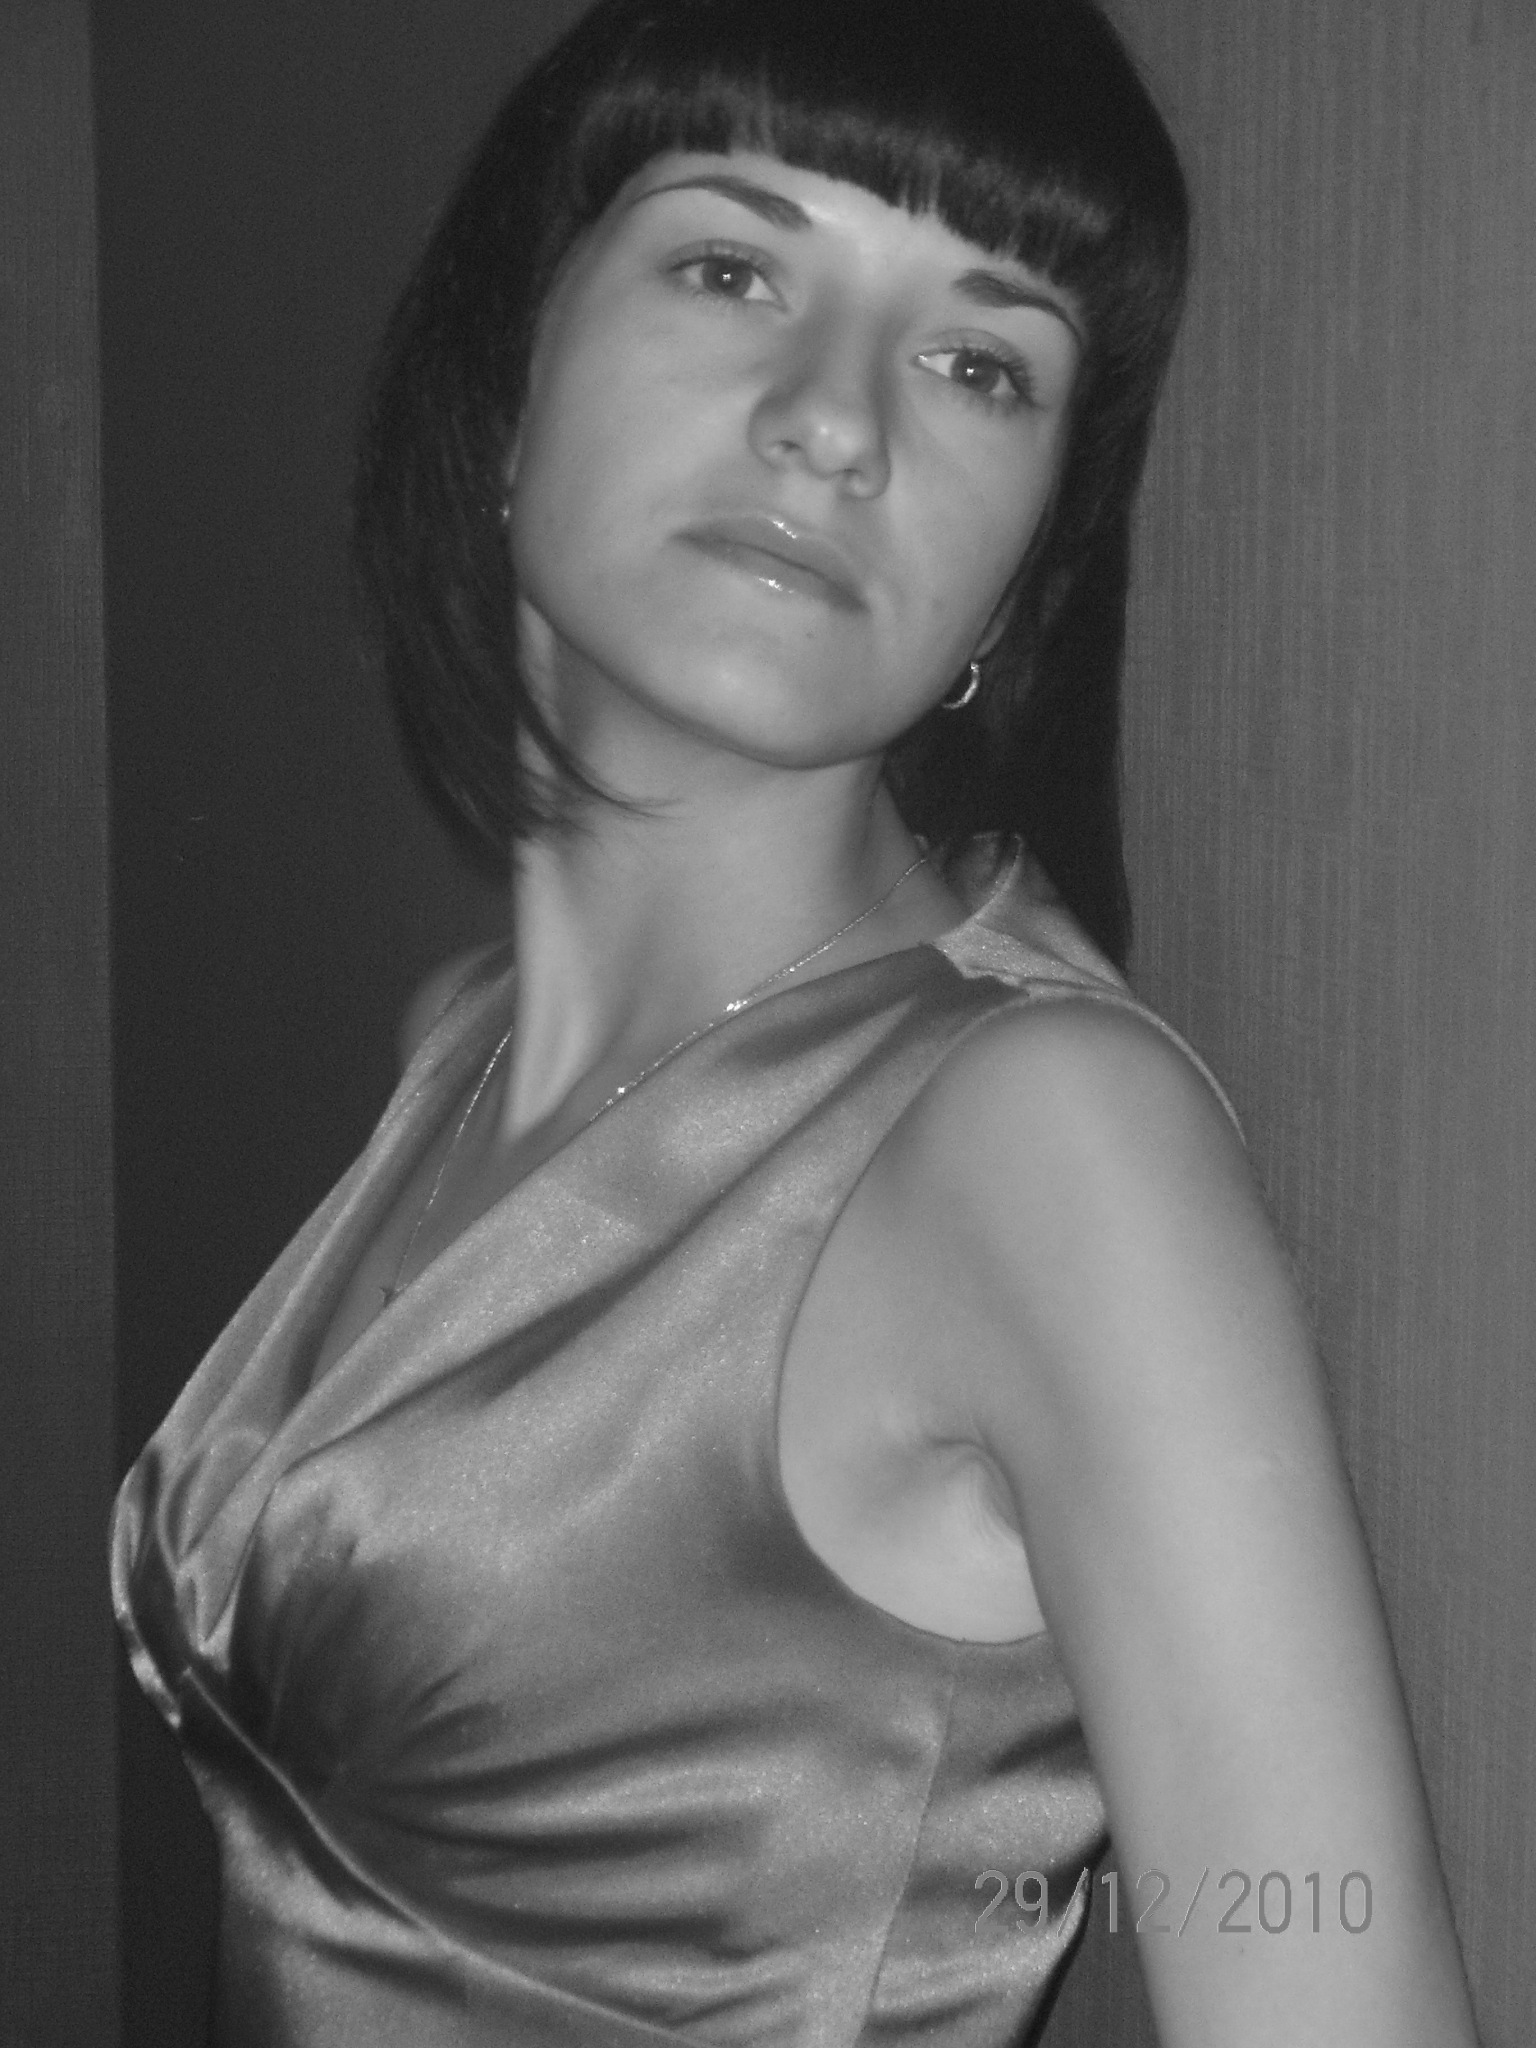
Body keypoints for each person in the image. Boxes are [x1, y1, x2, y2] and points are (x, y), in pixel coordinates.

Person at [112, 1, 1480, 2043]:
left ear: (1021, 575)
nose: (839, 420)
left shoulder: (1046, 1144)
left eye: (981, 364)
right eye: (733, 266)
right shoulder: (456, 1047)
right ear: (508, 377)